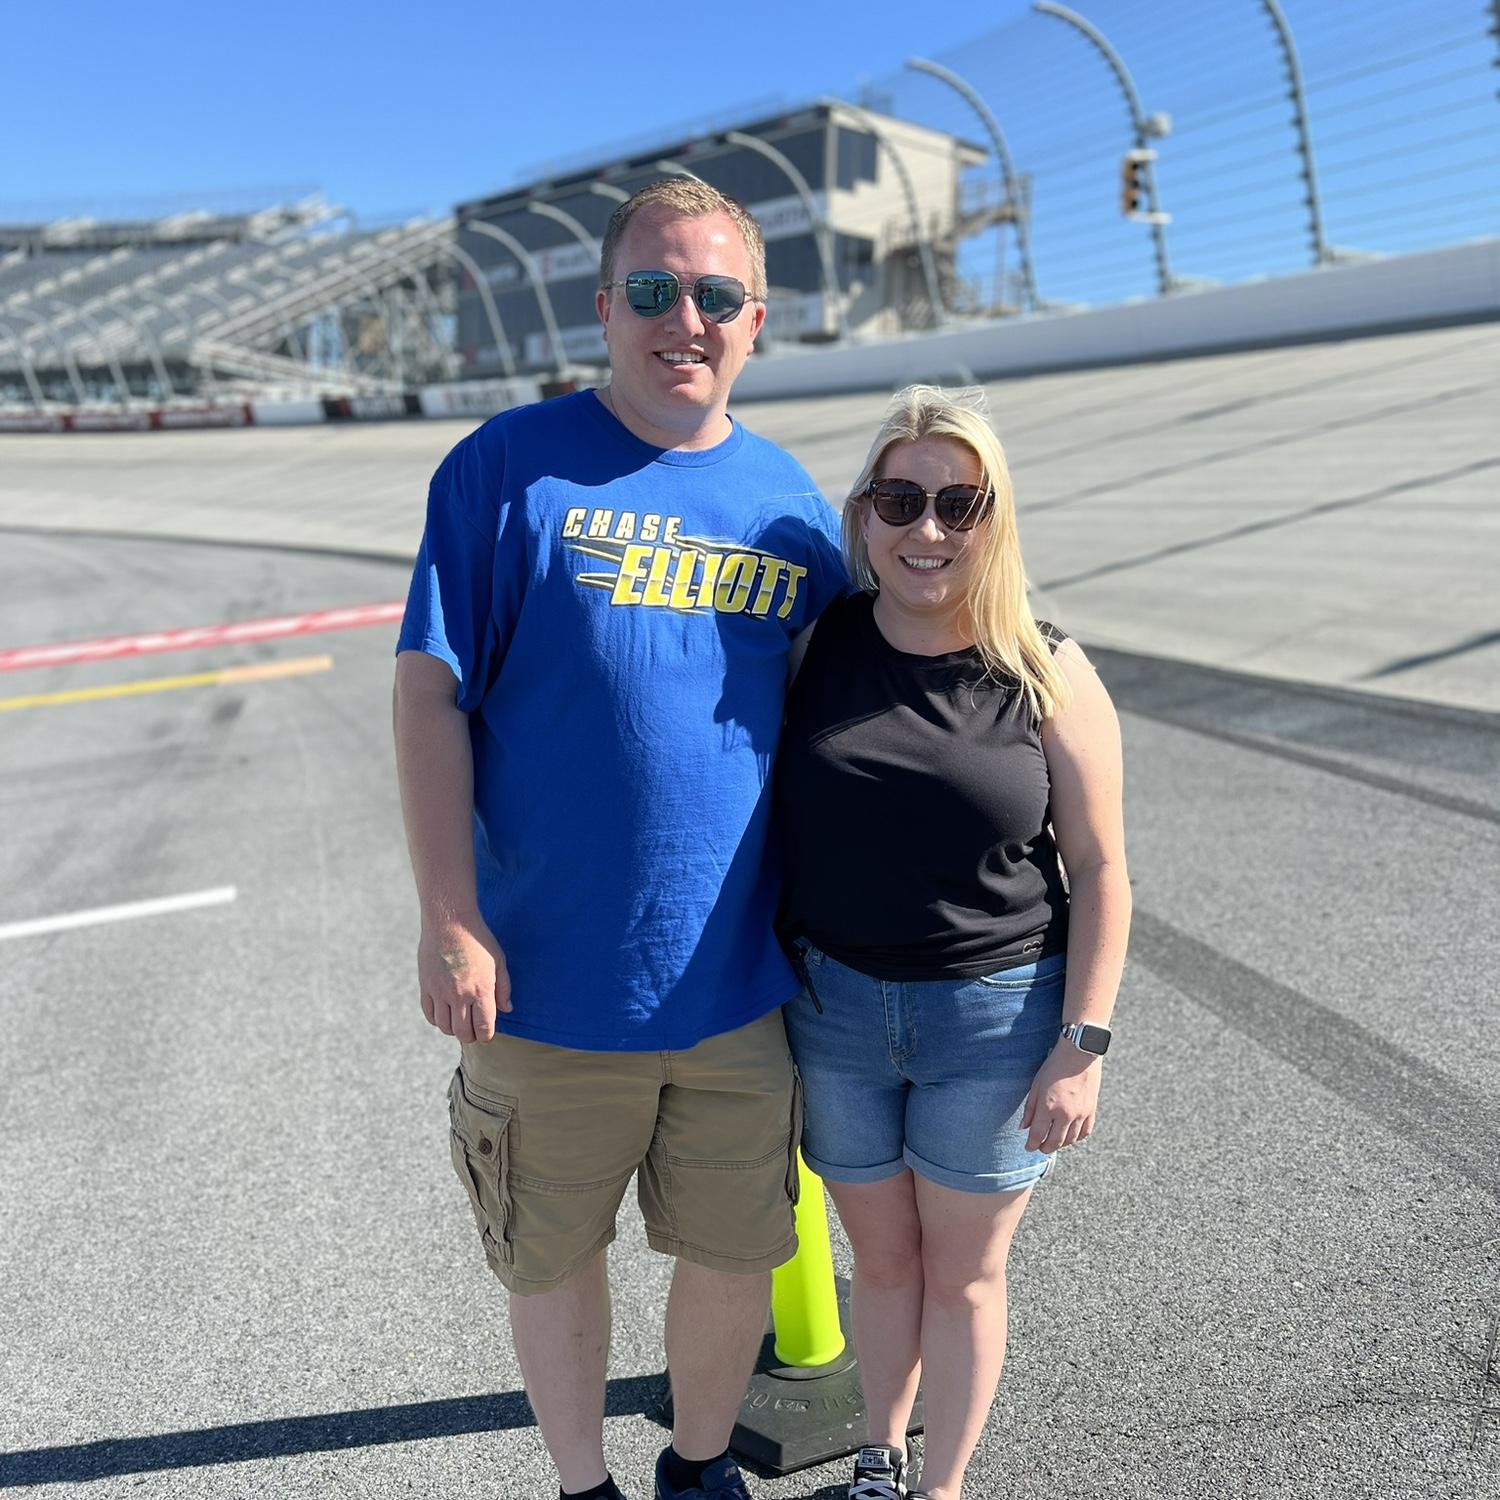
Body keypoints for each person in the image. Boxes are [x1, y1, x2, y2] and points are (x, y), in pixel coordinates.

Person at [392, 180, 847, 1500]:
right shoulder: (503, 469)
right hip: (544, 985)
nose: (682, 319)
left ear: (755, 321)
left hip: (739, 989)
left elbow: (855, 712)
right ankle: (583, 1482)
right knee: (552, 1257)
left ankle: (697, 1472)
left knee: (731, 1253)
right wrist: (451, 915)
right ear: (605, 310)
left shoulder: (792, 508)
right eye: (652, 290)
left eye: (713, 295)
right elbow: (429, 691)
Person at [775, 385, 1131, 1500]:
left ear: (994, 519)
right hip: (832, 1012)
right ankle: (883, 1460)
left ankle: (944, 1489)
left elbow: (1105, 869)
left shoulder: (1049, 669)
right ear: (865, 514)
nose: (928, 529)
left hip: (995, 1017)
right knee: (881, 1263)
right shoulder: (814, 645)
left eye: (959, 505)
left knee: (965, 1279)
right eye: (902, 498)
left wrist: (1084, 1045)